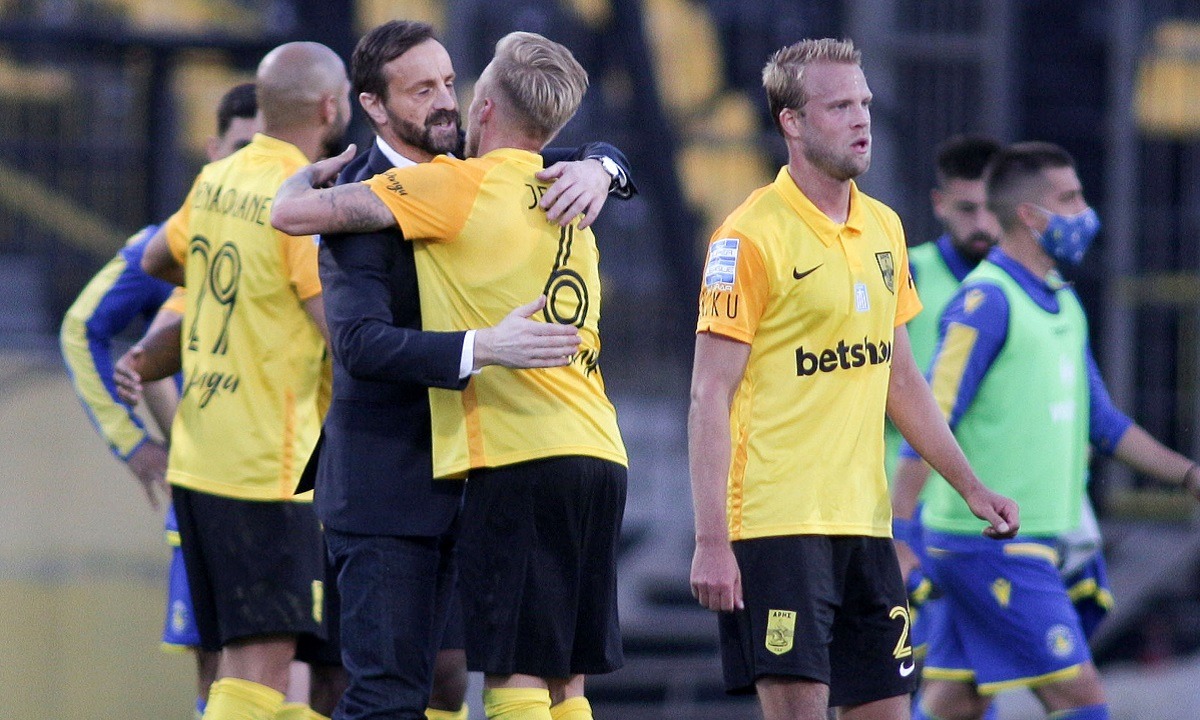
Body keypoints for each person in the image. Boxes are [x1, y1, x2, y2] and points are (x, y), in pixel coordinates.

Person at [272, 31, 628, 720]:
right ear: (373, 106)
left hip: (494, 475)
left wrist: (604, 167)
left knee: (490, 681)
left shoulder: (500, 174)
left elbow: (560, 142)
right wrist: (480, 347)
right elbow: (358, 344)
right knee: (391, 696)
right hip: (393, 485)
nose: (444, 101)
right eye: (420, 89)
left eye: (447, 81)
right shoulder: (361, 201)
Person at [685, 38, 1019, 720]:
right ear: (792, 122)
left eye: (864, 102)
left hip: (867, 526)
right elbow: (708, 392)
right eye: (839, 106)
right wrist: (712, 540)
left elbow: (902, 378)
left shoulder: (884, 227)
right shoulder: (748, 236)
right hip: (777, 527)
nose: (861, 118)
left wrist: (970, 485)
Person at [891, 141, 1200, 720]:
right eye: (1070, 198)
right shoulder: (986, 301)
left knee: (958, 701)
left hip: (1034, 538)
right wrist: (900, 530)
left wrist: (1187, 475)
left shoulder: (1062, 300)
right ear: (1031, 216)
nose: (1086, 212)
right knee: (1081, 698)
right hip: (990, 544)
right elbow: (930, 415)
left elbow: (1103, 423)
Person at [141, 41, 350, 720]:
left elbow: (156, 259)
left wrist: (234, 280)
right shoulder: (300, 200)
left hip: (202, 455)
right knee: (263, 668)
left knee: (240, 664)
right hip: (265, 465)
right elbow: (343, 338)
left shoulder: (218, 179)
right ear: (330, 107)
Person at [59, 81, 258, 719]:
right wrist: (137, 445)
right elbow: (82, 330)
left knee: (302, 671)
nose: (254, 163)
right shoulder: (175, 245)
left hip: (297, 485)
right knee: (219, 663)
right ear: (212, 150)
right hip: (208, 487)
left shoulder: (307, 236)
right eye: (242, 148)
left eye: (268, 148)